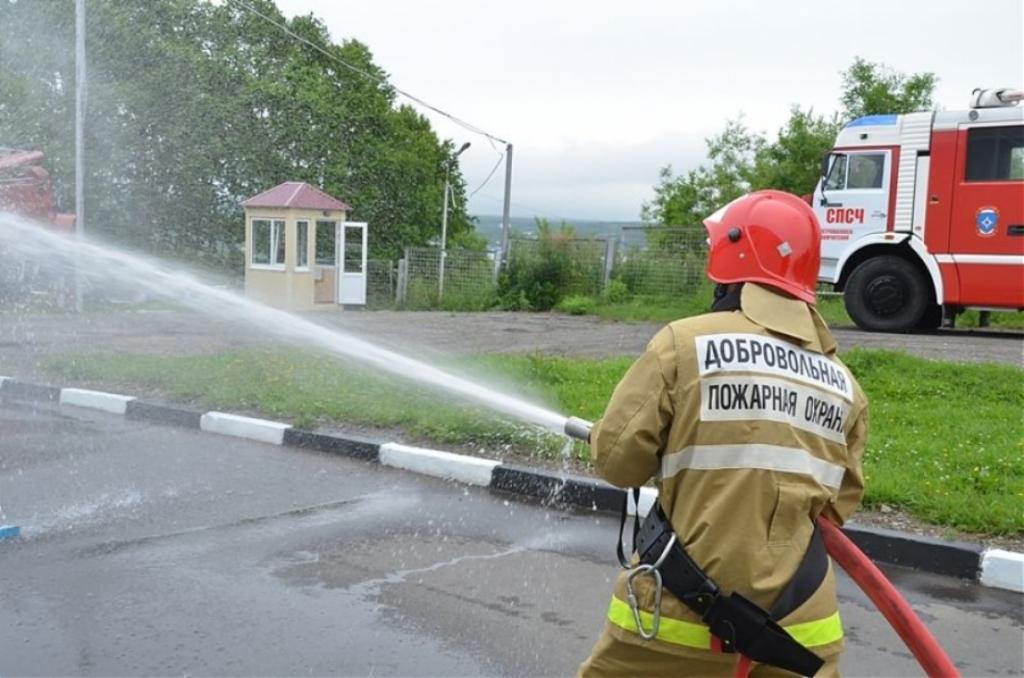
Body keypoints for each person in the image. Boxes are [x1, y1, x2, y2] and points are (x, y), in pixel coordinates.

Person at [578, 190, 868, 677]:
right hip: (801, 634)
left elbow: (617, 462)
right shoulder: (846, 385)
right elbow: (836, 509)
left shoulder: (682, 344)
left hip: (675, 624)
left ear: (729, 256)